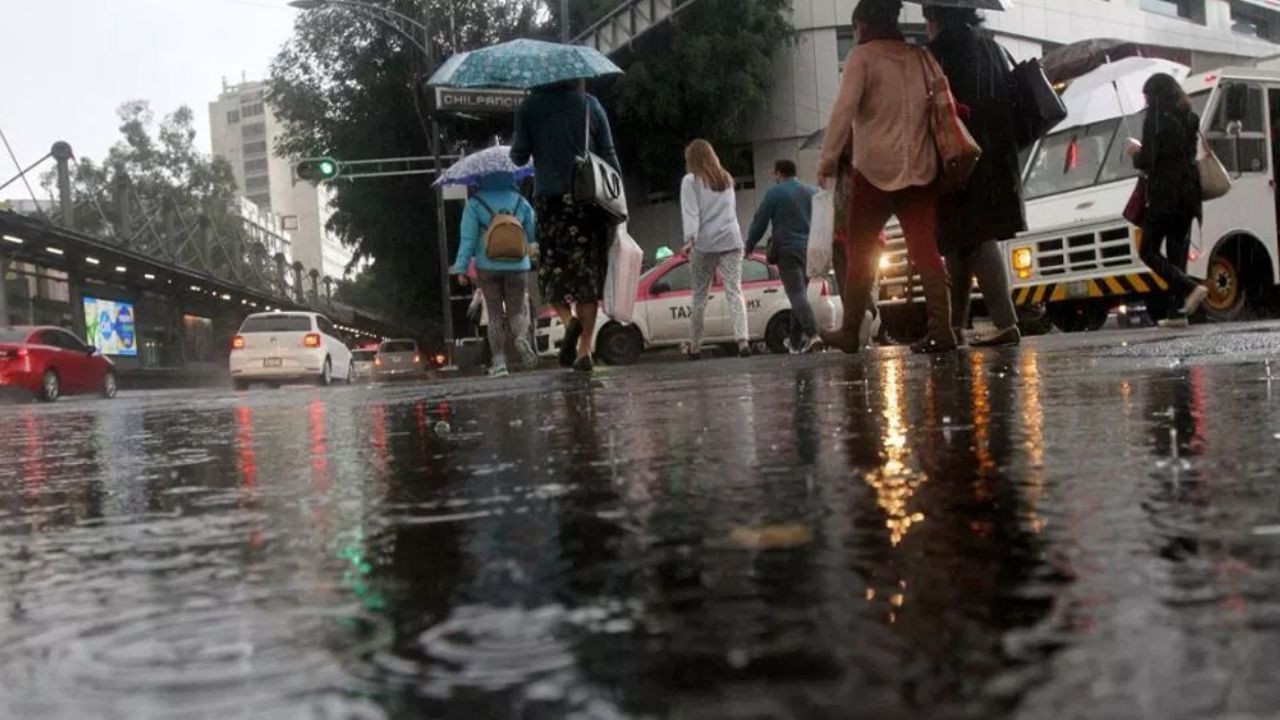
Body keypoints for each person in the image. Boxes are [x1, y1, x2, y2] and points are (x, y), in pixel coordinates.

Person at [817, 0, 956, 354]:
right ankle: (942, 328)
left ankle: (851, 331)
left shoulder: (862, 58)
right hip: (921, 170)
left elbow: (843, 111)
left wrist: (828, 159)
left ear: (862, 25)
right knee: (926, 248)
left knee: (859, 250)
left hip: (874, 171)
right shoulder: (921, 57)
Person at [925, 5, 1025, 347]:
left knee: (973, 234)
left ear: (934, 17)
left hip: (959, 155)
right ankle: (953, 325)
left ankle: (1004, 321)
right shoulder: (990, 46)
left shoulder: (937, 54)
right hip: (996, 155)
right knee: (960, 238)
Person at [510, 80, 621, 373]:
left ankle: (569, 322)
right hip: (587, 199)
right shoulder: (590, 104)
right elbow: (608, 151)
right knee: (587, 278)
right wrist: (618, 195)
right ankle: (585, 350)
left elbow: (518, 156)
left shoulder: (529, 107)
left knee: (552, 271)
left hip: (550, 201)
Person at [1127, 72, 1209, 327]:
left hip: (1165, 194)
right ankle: (1177, 313)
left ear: (1155, 95)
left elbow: (1148, 160)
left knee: (1148, 250)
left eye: (1147, 95)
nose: (1145, 100)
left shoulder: (1154, 119)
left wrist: (1134, 152)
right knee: (1176, 253)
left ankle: (1190, 288)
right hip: (1189, 193)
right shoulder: (1190, 117)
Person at [450, 173, 538, 378]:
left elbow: (468, 239)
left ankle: (499, 363)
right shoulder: (520, 201)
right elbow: (532, 233)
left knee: (495, 313)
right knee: (517, 310)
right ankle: (520, 337)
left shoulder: (474, 203)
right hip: (518, 264)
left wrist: (461, 268)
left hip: (488, 266)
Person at [680, 139, 750, 360]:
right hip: (731, 240)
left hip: (704, 243)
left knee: (700, 296)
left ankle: (695, 346)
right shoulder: (726, 179)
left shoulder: (691, 181)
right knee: (734, 291)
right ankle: (743, 340)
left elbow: (691, 212)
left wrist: (690, 239)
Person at [745, 159, 821, 353]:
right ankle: (795, 343)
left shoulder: (774, 193)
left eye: (774, 175)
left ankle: (813, 334)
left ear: (779, 174)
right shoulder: (812, 192)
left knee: (796, 294)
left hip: (786, 251)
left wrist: (749, 246)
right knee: (800, 294)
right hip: (809, 249)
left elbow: (759, 222)